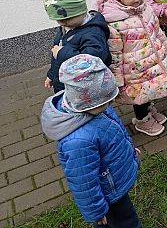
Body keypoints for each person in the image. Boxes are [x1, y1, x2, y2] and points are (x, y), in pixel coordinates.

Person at [40, 54, 141, 227]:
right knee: (124, 221)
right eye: (104, 102)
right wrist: (96, 211)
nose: (109, 105)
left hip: (113, 182)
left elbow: (113, 131)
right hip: (107, 192)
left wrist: (130, 149)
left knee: (125, 214)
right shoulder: (78, 141)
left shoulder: (94, 107)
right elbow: (84, 183)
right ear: (87, 103)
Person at [97, 0, 167, 136]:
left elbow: (156, 29)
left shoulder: (144, 9)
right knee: (139, 97)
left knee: (151, 90)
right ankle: (142, 120)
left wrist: (165, 45)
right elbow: (115, 55)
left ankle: (149, 111)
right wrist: (117, 80)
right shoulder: (114, 22)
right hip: (134, 72)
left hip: (151, 60)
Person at [43, 0, 111, 93]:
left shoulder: (93, 33)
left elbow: (92, 61)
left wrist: (62, 53)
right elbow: (56, 58)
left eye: (68, 18)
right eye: (58, 20)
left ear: (82, 10)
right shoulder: (66, 28)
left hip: (85, 91)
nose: (63, 23)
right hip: (65, 85)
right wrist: (52, 75)